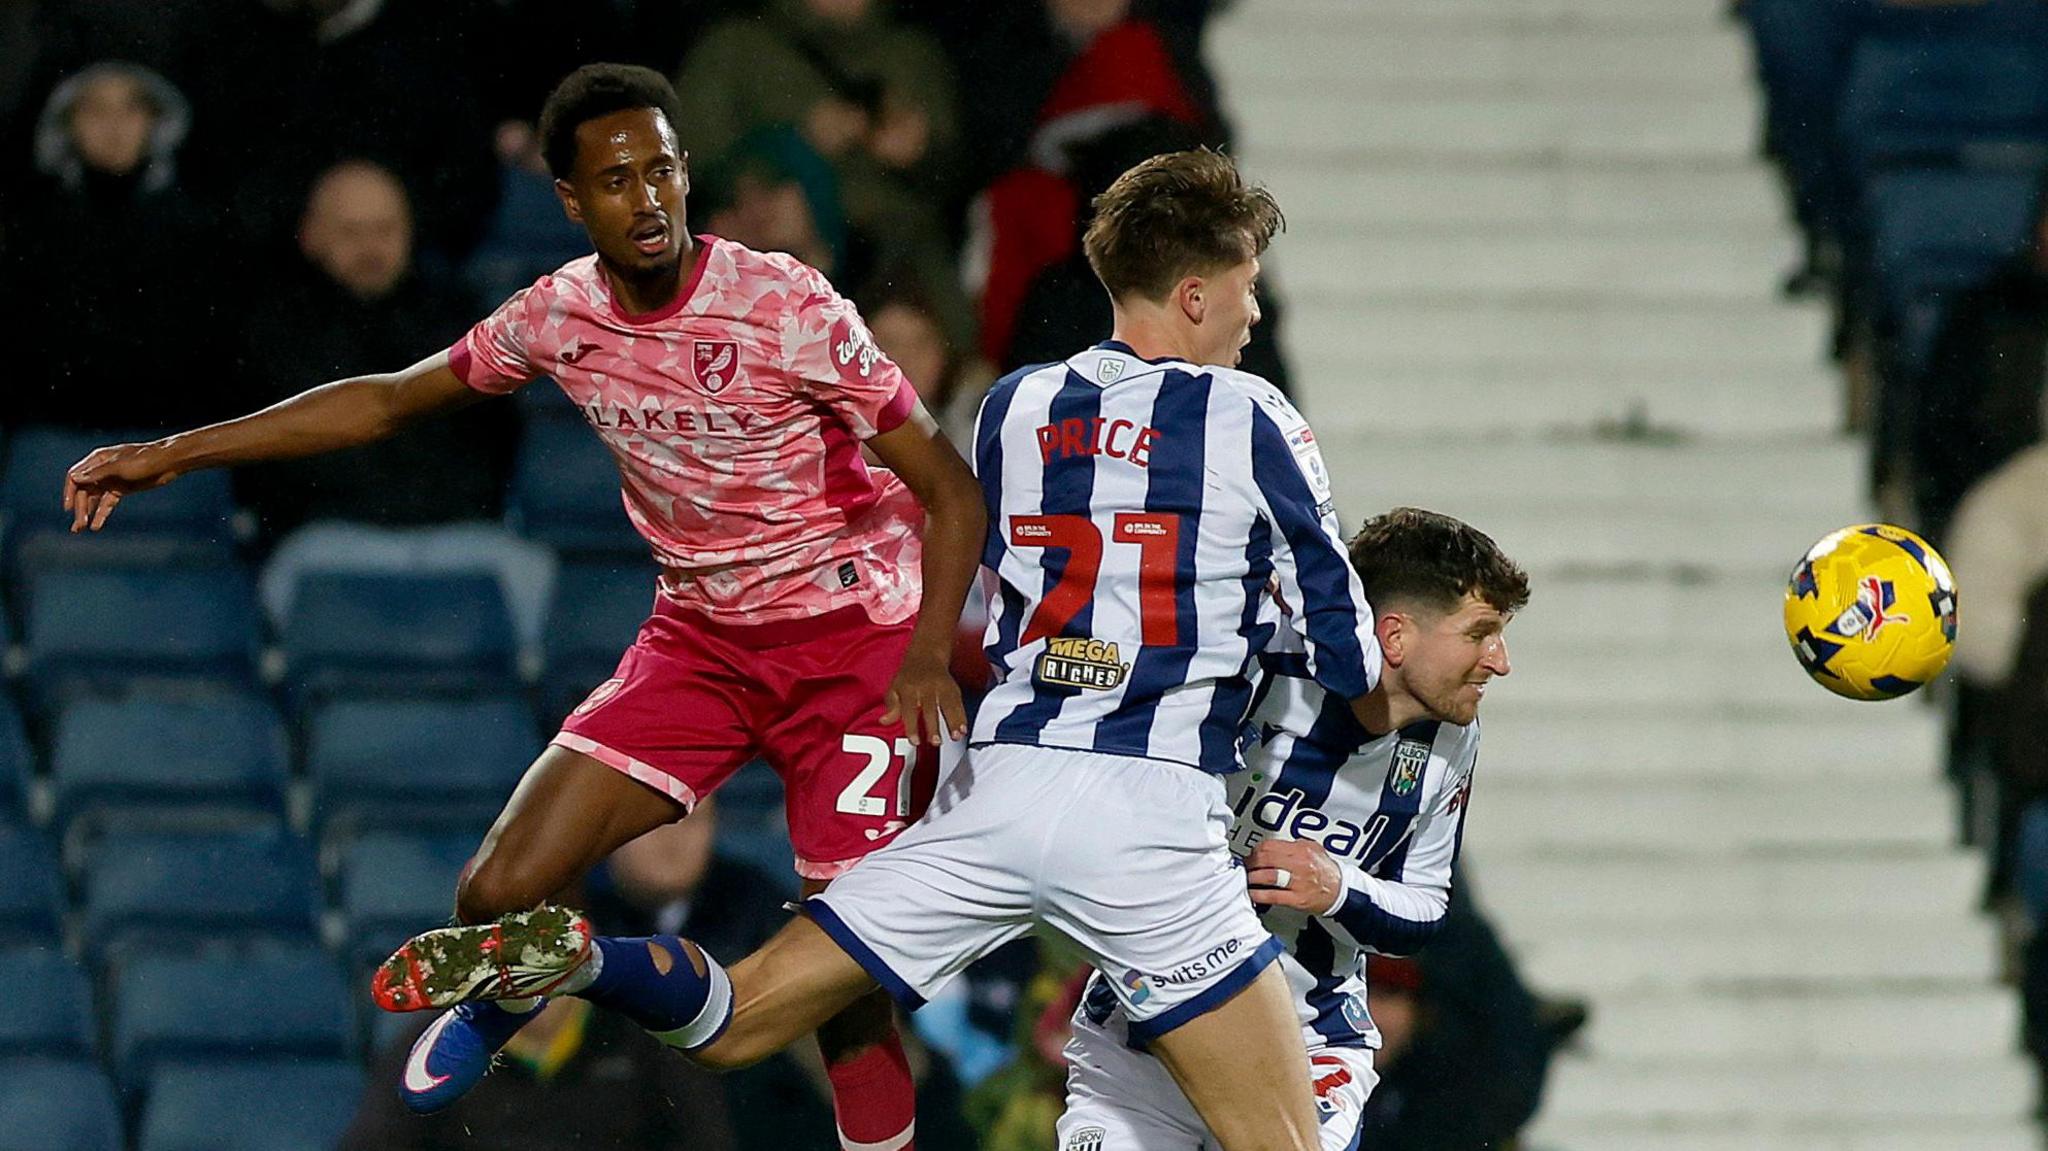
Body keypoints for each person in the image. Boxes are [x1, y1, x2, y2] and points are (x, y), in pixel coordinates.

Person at [374, 148, 1382, 1151]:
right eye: (1247, 292)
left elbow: (989, 568)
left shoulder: (1014, 407)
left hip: (1006, 791)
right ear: (1197, 295)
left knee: (741, 1018)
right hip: (1148, 815)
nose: (1254, 318)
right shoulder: (1253, 414)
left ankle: (588, 960)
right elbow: (1345, 653)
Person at [60, 63, 986, 1151]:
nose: (645, 199)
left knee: (843, 979)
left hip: (852, 644)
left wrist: (928, 652)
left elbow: (951, 490)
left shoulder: (786, 304)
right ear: (569, 199)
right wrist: (174, 453)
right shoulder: (561, 314)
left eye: (661, 170)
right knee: (494, 884)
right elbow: (390, 400)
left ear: (686, 174)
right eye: (614, 179)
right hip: (702, 641)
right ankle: (508, 990)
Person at [1056, 507, 1527, 1151]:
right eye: (1482, 633)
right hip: (1147, 1029)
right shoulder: (1251, 671)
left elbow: (1425, 908)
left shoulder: (1451, 739)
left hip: (1311, 1042)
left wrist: (1337, 887)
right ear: (1395, 636)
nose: (1499, 661)